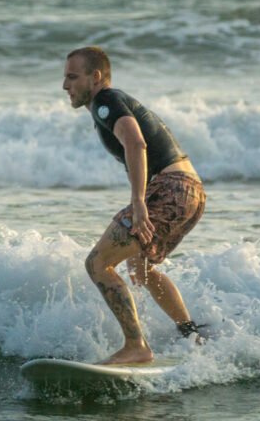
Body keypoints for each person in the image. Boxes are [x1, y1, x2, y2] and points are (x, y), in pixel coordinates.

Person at [62, 46, 206, 365]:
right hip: (192, 191)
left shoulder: (106, 101)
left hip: (170, 188)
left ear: (95, 77)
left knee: (98, 264)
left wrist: (139, 201)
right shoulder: (112, 102)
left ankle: (135, 346)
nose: (64, 86)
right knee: (140, 265)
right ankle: (191, 334)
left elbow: (136, 142)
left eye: (72, 77)